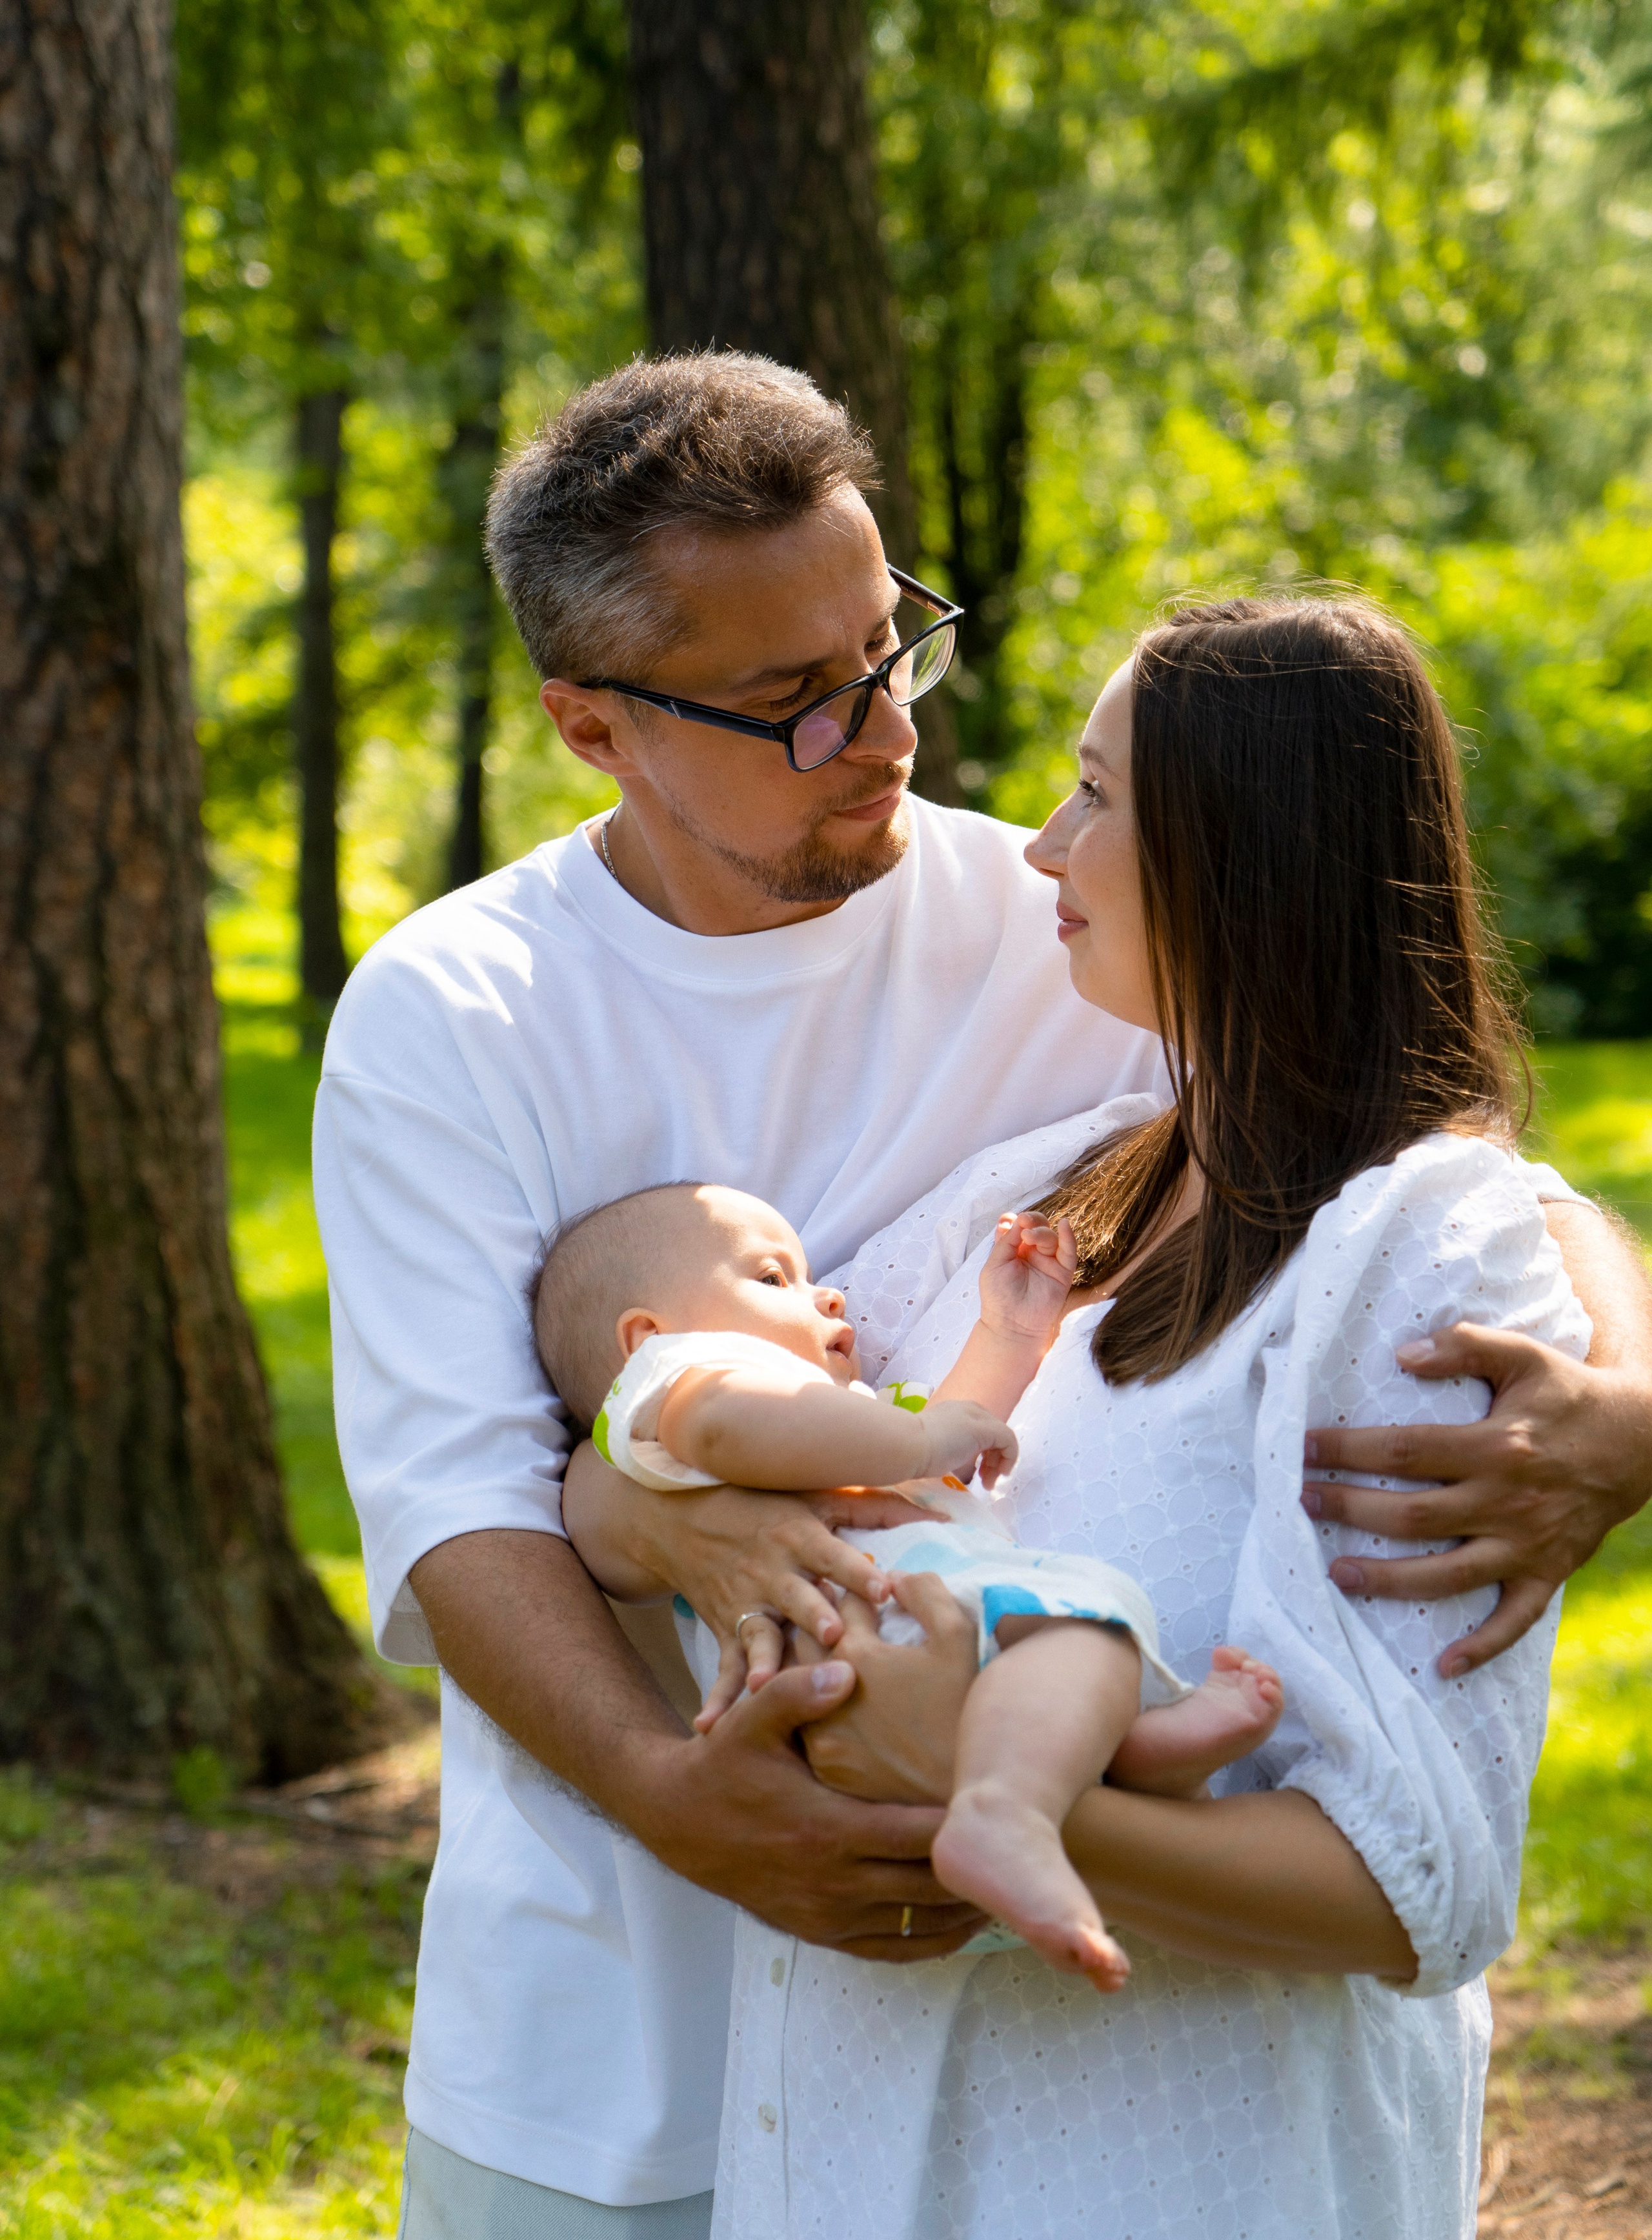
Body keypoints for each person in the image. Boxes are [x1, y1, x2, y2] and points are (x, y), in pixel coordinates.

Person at [310, 352, 1652, 2239]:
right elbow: (459, 1499)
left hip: (985, 2066)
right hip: (607, 2012)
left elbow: (1417, 1162)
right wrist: (680, 1786)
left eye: (888, 649)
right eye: (793, 700)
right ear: (593, 724)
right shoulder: (460, 1010)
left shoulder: (1045, 932)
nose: (880, 731)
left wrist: (1628, 1388)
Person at [685, 595, 1595, 2235]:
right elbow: (727, 1389)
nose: (1043, 844)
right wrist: (642, 1487)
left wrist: (991, 1788)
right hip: (853, 2155)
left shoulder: (1412, 1248)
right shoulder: (1047, 1190)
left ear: (1248, 847)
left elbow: (1417, 1881)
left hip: (1166, 2169)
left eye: (1096, 793)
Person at [540, 1180, 1284, 1989]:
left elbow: (942, 1442)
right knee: (1080, 1622)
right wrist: (921, 1438)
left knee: (1090, 1633)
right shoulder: (674, 1387)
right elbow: (732, 1426)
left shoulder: (845, 1421)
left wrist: (1007, 1333)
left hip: (913, 1697)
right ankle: (1030, 1803)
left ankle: (1107, 1769)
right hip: (880, 1643)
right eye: (772, 1278)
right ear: (646, 1335)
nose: (826, 1294)